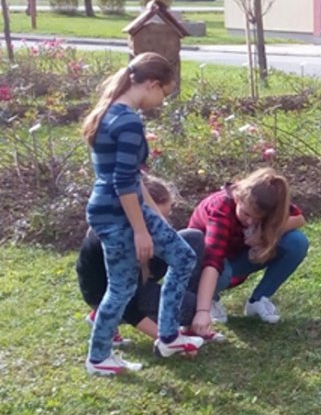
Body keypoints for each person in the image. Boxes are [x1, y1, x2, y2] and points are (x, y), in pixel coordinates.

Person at [81, 52, 204, 376]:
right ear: (151, 83)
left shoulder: (107, 112)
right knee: (134, 281)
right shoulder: (129, 121)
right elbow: (123, 183)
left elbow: (133, 177)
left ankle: (157, 340)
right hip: (118, 212)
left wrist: (155, 217)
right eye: (163, 93)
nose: (161, 100)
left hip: (113, 208)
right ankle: (144, 343)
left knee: (171, 261)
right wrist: (140, 230)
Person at [77, 175, 225, 343]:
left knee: (193, 238)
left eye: (165, 219)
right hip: (114, 296)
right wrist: (169, 340)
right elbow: (127, 305)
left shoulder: (144, 228)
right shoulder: (118, 241)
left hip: (141, 276)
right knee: (190, 307)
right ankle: (103, 318)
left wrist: (202, 310)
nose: (163, 226)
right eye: (158, 220)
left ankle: (191, 323)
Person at [188, 167, 308, 336]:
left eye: (257, 218)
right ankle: (210, 299)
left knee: (296, 242)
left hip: (237, 258)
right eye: (246, 214)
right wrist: (202, 310)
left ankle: (258, 300)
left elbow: (299, 219)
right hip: (203, 267)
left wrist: (266, 233)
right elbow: (211, 260)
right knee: (219, 270)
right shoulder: (221, 209)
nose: (250, 221)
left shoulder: (266, 199)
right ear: (238, 197)